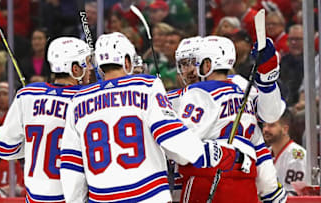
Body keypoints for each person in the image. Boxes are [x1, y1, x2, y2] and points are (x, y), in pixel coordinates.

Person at [60, 32, 244, 202]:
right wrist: (215, 153)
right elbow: (172, 139)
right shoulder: (146, 86)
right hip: (149, 195)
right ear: (126, 61)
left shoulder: (78, 100)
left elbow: (71, 165)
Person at [173, 36, 287, 202]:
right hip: (245, 182)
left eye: (192, 62)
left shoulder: (196, 94)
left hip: (206, 179)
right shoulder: (242, 90)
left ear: (207, 64)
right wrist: (271, 191)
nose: (188, 71)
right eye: (184, 64)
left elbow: (181, 150)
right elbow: (258, 138)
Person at [0, 37, 93, 202]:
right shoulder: (88, 98)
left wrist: (32, 146)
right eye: (87, 63)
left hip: (36, 197)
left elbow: (3, 147)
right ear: (75, 69)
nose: (90, 68)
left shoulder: (28, 95)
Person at [263, 109, 306, 196]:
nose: (265, 129)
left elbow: (296, 195)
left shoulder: (298, 156)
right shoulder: (264, 154)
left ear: (285, 129)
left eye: (271, 125)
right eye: (264, 125)